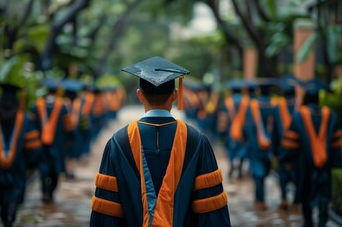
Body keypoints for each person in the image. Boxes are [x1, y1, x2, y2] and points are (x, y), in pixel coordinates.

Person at [90, 56, 231, 227]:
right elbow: (211, 211)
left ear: (140, 95)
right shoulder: (197, 141)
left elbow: (107, 210)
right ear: (175, 95)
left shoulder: (119, 141)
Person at [280, 78, 342, 227]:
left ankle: (308, 222)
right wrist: (336, 161)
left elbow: (290, 144)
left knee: (306, 195)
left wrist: (286, 159)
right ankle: (322, 221)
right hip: (324, 166)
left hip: (304, 166)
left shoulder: (299, 116)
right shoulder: (330, 115)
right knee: (323, 195)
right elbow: (336, 144)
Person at [0, 83, 42, 227]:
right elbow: (32, 147)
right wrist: (29, 162)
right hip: (18, 167)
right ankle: (10, 216)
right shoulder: (24, 119)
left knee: (2, 195)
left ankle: (6, 217)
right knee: (14, 194)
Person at [30, 78, 72, 202]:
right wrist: (69, 140)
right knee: (55, 171)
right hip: (58, 146)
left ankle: (45, 192)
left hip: (40, 145)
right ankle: (50, 192)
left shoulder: (36, 107)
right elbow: (68, 126)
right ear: (56, 91)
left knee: (43, 170)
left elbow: (31, 126)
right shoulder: (62, 107)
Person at [243, 78, 278, 210]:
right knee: (264, 171)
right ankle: (260, 198)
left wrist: (247, 139)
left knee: (258, 173)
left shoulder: (252, 105)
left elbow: (248, 127)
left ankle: (260, 199)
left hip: (255, 145)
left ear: (259, 91)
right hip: (270, 146)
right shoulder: (275, 105)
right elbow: (278, 127)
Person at [274, 74, 299, 210]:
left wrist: (274, 150)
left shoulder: (278, 107)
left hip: (282, 149)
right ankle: (295, 200)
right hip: (296, 150)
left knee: (283, 175)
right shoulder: (300, 108)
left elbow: (275, 132)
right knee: (296, 175)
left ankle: (284, 197)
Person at [218, 79, 249, 179]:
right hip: (243, 131)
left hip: (230, 131)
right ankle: (240, 165)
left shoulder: (228, 102)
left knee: (232, 150)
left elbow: (223, 118)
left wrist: (222, 131)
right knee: (242, 148)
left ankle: (232, 164)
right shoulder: (246, 101)